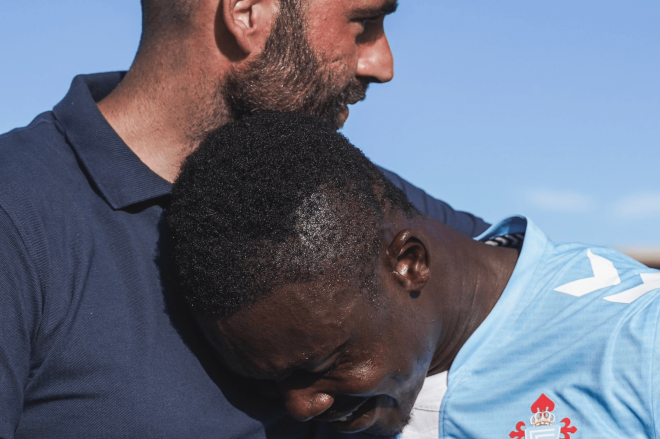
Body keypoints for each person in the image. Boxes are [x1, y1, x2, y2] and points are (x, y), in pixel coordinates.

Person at [0, 1, 489, 437]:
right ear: (247, 13)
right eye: (363, 23)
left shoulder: (353, 201)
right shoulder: (19, 217)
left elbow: (535, 294)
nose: (381, 65)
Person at [168, 112, 660, 438]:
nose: (301, 407)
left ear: (409, 264)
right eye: (271, 381)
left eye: (318, 363)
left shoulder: (637, 346)